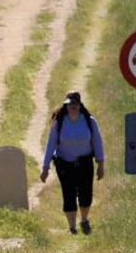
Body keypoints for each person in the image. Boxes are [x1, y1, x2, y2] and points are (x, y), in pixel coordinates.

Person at [40, 91, 105, 235]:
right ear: (66, 106)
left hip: (85, 162)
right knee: (68, 194)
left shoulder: (89, 121)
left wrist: (101, 164)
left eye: (75, 104)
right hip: (65, 164)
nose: (72, 107)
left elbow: (97, 143)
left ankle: (84, 220)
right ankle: (72, 228)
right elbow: (51, 145)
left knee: (85, 194)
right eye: (69, 104)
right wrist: (45, 168)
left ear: (79, 105)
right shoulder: (59, 122)